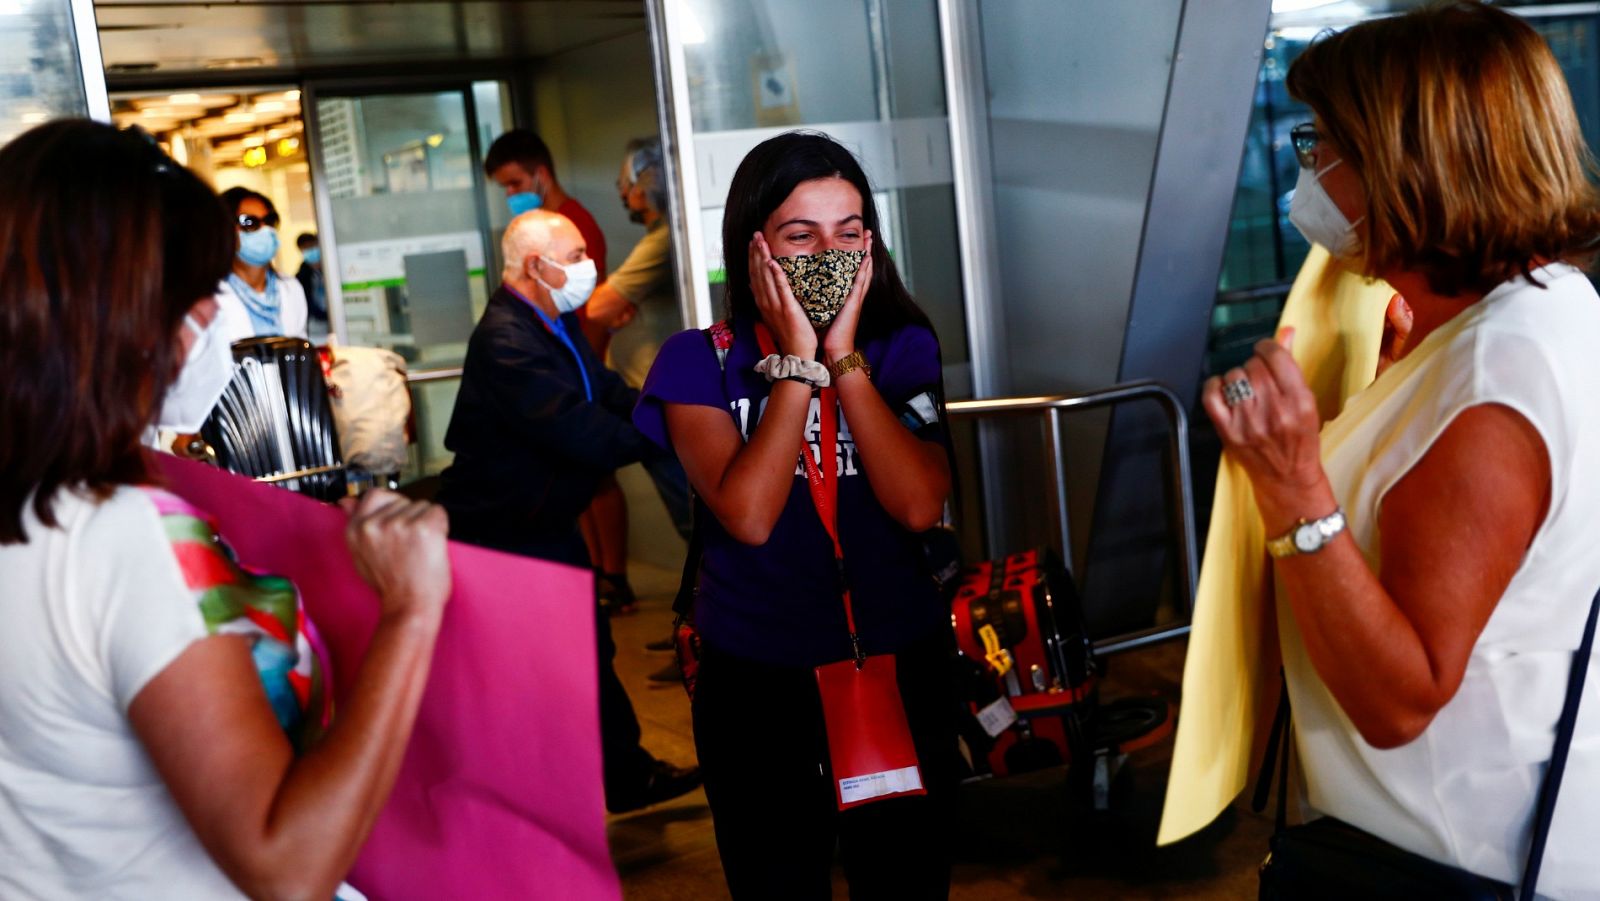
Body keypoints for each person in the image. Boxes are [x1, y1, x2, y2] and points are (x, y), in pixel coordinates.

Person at [1206, 4, 1600, 896]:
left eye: (1321, 143)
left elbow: (1401, 699)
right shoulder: (1540, 306)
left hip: (1445, 857)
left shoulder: (1498, 374)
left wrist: (1292, 483)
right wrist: (1391, 392)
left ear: (1405, 163)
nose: (1306, 167)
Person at [0, 120, 451, 898]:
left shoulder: (35, 507)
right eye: (194, 293)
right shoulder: (123, 536)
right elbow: (287, 863)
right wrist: (410, 612)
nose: (213, 317)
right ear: (115, 312)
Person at [634, 131, 958, 899]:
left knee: (907, 883)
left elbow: (919, 504)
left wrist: (843, 359)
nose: (828, 254)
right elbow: (748, 514)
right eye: (800, 235)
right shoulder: (699, 361)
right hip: (758, 678)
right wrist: (797, 364)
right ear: (756, 248)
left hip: (895, 662)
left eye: (849, 232)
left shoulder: (901, 346)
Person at [434, 208, 700, 813]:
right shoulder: (507, 340)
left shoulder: (551, 321)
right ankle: (523, 798)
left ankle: (624, 776)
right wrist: (677, 432)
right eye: (576, 256)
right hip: (501, 532)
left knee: (586, 649)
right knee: (531, 667)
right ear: (536, 266)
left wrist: (664, 407)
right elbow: (582, 432)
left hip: (541, 521)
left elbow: (603, 391)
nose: (590, 267)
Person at [583, 138, 695, 624]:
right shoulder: (660, 237)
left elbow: (599, 307)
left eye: (627, 182)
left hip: (668, 405)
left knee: (694, 524)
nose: (623, 193)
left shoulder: (665, 238)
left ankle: (707, 638)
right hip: (652, 400)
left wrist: (615, 306)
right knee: (689, 523)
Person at [214, 186, 309, 344]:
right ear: (225, 231)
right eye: (250, 222)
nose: (265, 230)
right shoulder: (210, 297)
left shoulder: (290, 288)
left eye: (270, 221)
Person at [295, 231, 329, 330]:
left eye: (312, 246)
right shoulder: (300, 278)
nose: (311, 250)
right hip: (315, 324)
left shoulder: (331, 270)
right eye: (306, 248)